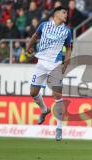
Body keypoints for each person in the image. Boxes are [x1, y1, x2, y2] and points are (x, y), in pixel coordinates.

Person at [27, 6, 72, 141]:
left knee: (57, 94)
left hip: (55, 64)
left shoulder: (67, 31)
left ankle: (59, 127)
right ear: (56, 14)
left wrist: (66, 63)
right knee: (33, 93)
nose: (66, 15)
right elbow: (35, 36)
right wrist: (28, 47)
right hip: (41, 63)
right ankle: (44, 109)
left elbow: (69, 48)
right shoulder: (44, 25)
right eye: (64, 13)